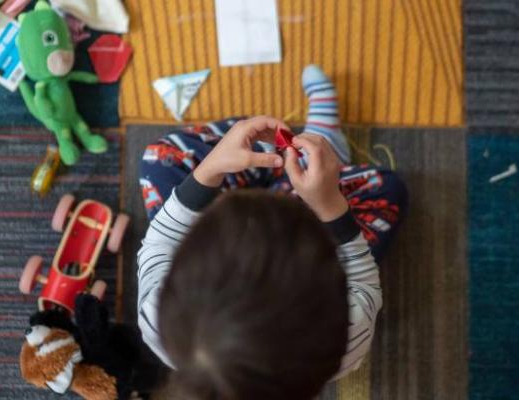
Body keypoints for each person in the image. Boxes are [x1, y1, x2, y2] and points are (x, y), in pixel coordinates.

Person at [136, 65, 407, 399]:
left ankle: (276, 162)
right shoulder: (346, 336)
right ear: (327, 290)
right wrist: (331, 209)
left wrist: (210, 170)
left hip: (251, 196)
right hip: (308, 204)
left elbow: (160, 242)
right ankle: (311, 159)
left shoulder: (157, 320)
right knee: (387, 190)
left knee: (161, 159)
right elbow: (363, 283)